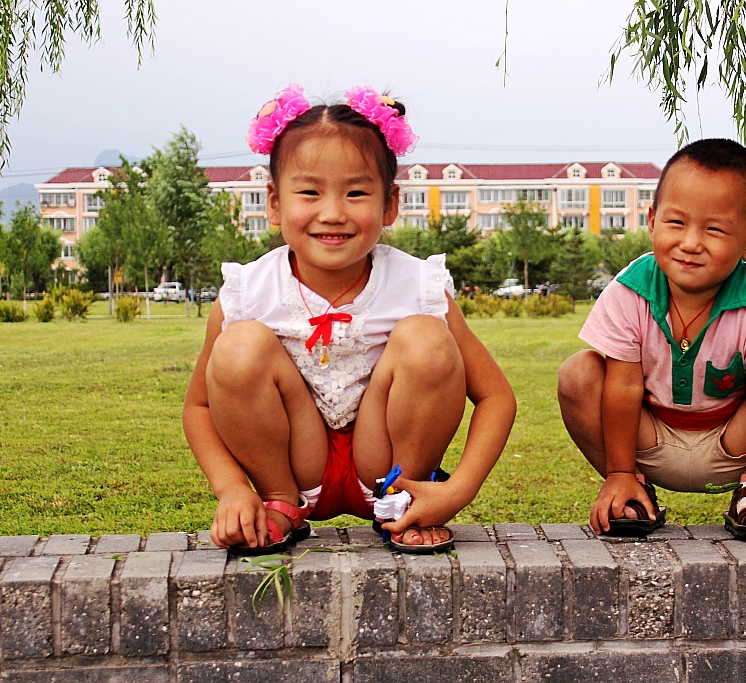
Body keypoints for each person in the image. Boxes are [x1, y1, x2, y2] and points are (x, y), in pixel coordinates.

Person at [184, 84, 516, 555]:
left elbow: (496, 397)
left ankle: (403, 503)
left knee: (426, 335)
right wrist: (233, 489)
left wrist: (457, 490)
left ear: (390, 204)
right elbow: (198, 408)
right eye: (309, 192)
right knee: (239, 345)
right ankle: (280, 504)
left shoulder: (418, 286)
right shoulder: (248, 290)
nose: (333, 213)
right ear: (274, 202)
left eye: (356, 192)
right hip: (294, 465)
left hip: (385, 461)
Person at [557, 138, 746, 541]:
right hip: (647, 438)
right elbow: (623, 385)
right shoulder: (630, 289)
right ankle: (631, 489)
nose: (690, 243)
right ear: (652, 220)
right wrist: (619, 470)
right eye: (676, 223)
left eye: (714, 229)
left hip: (733, 442)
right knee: (578, 373)